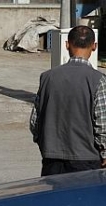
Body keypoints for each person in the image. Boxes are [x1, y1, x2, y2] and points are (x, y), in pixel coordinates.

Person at [29, 25, 106, 176]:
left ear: (67, 44)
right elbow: (102, 124)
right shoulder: (99, 80)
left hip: (51, 159)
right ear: (94, 46)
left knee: (54, 199)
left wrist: (46, 146)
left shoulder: (47, 77)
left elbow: (35, 121)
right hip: (86, 160)